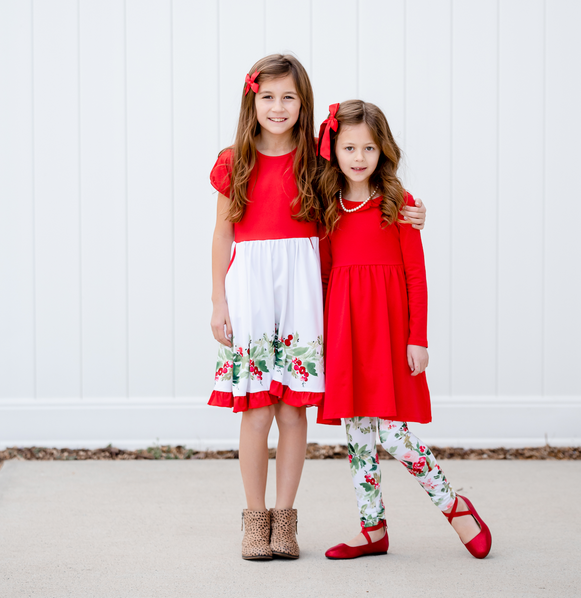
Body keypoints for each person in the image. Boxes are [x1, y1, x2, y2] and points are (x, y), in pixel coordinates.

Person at [209, 55, 426, 561]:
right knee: (257, 407)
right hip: (252, 288)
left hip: (303, 286)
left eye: (289, 97)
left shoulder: (317, 158)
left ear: (303, 102)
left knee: (292, 408)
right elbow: (222, 232)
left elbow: (362, 189)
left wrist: (412, 210)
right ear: (252, 101)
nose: (278, 107)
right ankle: (254, 518)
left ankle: (285, 521)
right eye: (268, 97)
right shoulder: (233, 160)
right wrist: (219, 299)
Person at [316, 100, 492, 560]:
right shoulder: (327, 209)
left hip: (390, 333)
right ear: (333, 149)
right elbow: (326, 276)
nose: (359, 157)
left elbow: (416, 275)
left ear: (383, 150)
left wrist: (419, 337)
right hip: (347, 333)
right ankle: (372, 528)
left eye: (369, 147)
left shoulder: (401, 205)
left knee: (394, 434)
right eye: (349, 146)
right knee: (358, 437)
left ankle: (454, 506)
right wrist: (326, 341)